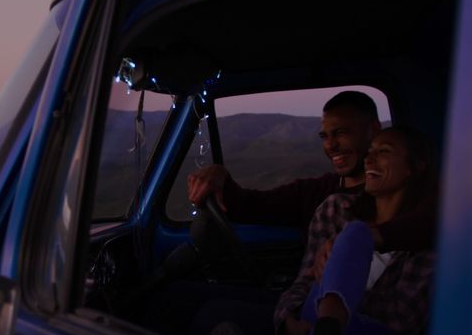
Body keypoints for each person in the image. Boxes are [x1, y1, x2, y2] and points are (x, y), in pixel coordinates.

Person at [269, 126, 438, 335]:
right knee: (355, 233)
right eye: (369, 153)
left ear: (415, 167)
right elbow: (304, 281)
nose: (368, 160)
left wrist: (336, 302)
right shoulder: (338, 212)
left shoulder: (428, 237)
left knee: (357, 236)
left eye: (383, 153)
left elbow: (402, 322)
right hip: (320, 321)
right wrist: (287, 319)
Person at [186, 90, 434, 252]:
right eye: (324, 136)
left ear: (373, 129)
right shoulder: (318, 193)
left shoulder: (406, 193)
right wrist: (219, 175)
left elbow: (436, 224)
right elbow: (252, 204)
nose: (330, 145)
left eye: (341, 133)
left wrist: (369, 239)